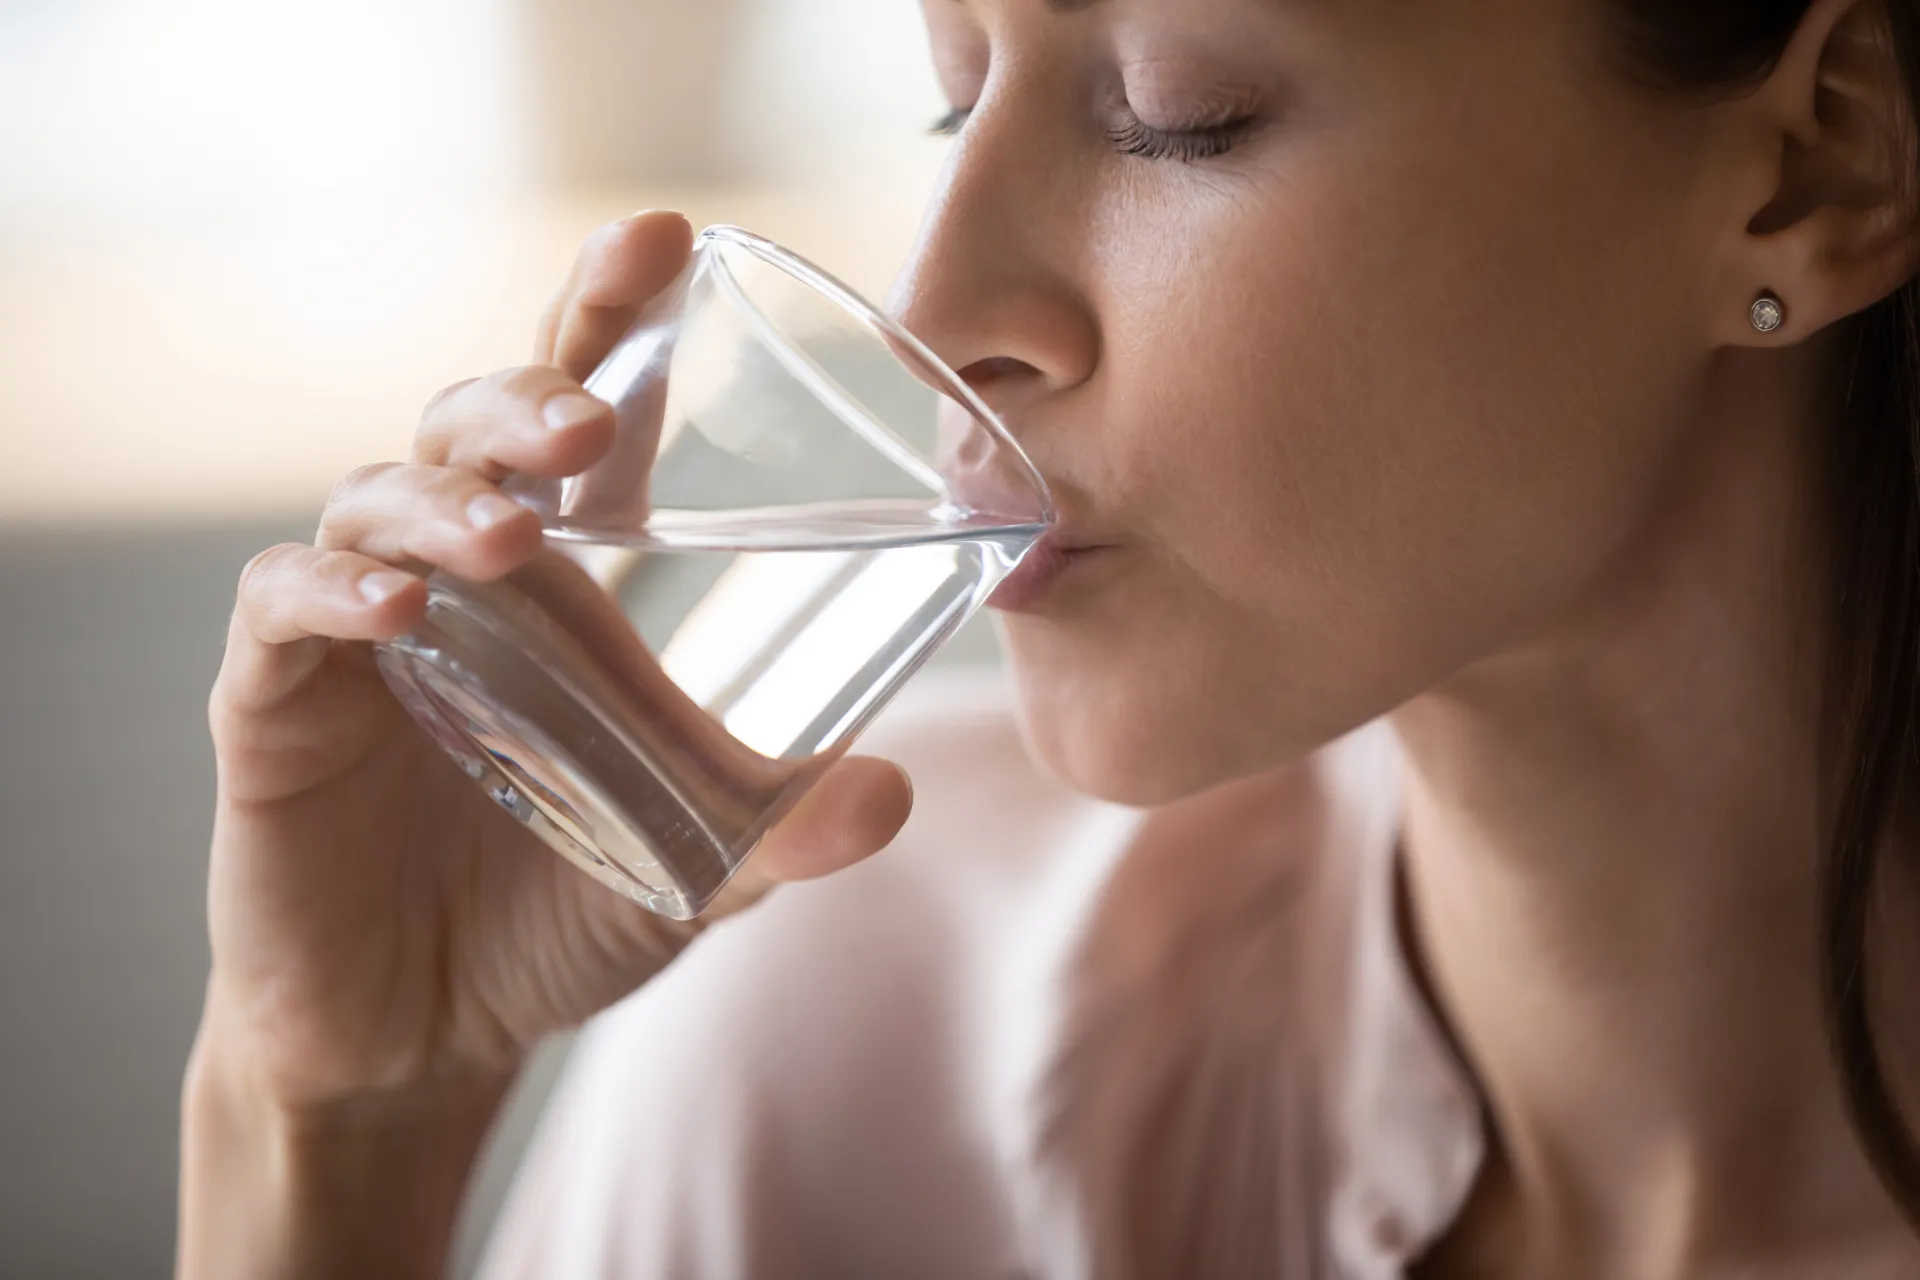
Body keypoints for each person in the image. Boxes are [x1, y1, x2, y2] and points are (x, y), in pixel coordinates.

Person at [177, 0, 1920, 1275]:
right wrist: (335, 1136)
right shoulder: (859, 1036)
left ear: (1817, 161)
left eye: (1179, 114)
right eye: (954, 100)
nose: (933, 316)